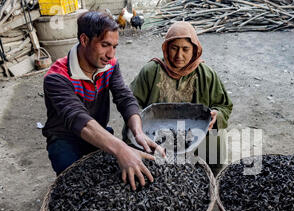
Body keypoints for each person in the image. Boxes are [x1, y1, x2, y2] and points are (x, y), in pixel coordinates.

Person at [42, 11, 164, 191]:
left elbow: (124, 97)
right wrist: (121, 149)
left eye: (115, 46)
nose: (110, 54)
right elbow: (77, 118)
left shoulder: (110, 66)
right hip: (65, 139)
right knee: (74, 187)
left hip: (99, 132)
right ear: (84, 40)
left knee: (112, 184)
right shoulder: (57, 77)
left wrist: (138, 132)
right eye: (105, 45)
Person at [125, 21, 233, 169]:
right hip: (157, 132)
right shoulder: (151, 71)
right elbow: (132, 102)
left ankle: (209, 177)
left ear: (194, 50)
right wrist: (140, 121)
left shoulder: (206, 74)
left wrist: (216, 115)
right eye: (174, 48)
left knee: (216, 139)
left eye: (185, 49)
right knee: (139, 146)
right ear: (166, 48)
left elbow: (224, 105)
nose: (179, 55)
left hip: (196, 133)